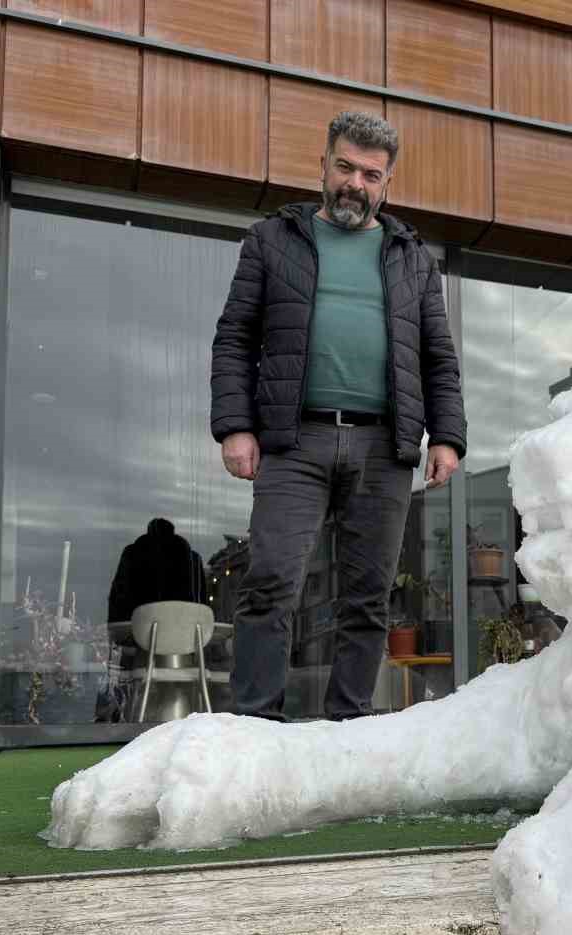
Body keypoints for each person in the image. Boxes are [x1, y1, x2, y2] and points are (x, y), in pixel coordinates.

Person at [210, 110, 465, 721]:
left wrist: (448, 437)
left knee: (368, 596)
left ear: (386, 183)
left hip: (384, 447)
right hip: (295, 439)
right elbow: (235, 337)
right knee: (271, 580)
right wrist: (235, 425)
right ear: (323, 165)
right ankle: (255, 725)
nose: (356, 182)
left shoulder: (412, 258)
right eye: (345, 167)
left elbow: (438, 354)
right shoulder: (273, 239)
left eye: (371, 174)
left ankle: (348, 724)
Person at [106, 518, 209, 624]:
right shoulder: (193, 560)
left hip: (138, 629)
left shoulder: (132, 554)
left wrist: (115, 625)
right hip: (184, 630)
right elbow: (201, 598)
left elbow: (117, 595)